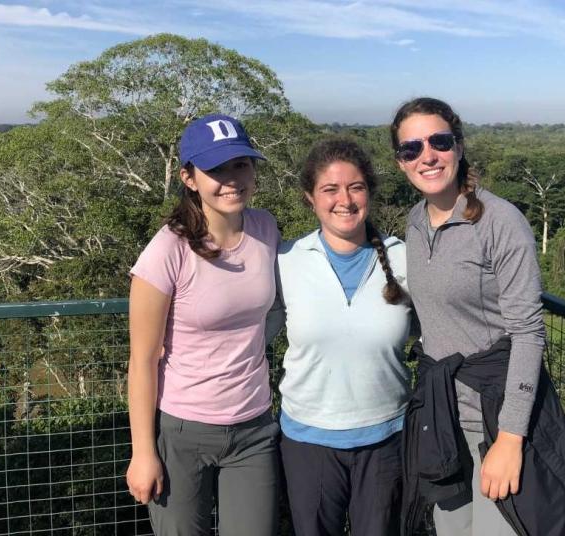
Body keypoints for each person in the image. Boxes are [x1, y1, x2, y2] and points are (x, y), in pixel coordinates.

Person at [391, 97, 565, 535]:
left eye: (439, 141)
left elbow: (528, 332)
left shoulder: (499, 222)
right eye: (411, 148)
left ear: (459, 145)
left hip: (495, 419)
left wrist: (510, 439)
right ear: (400, 162)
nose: (427, 156)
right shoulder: (415, 222)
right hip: (443, 420)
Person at [125, 114, 280, 536]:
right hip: (182, 433)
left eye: (241, 164)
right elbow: (142, 360)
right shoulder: (167, 251)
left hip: (254, 428)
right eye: (215, 169)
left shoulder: (266, 229)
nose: (232, 179)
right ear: (189, 178)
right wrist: (143, 453)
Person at [267, 138, 413, 536]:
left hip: (387, 438)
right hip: (307, 440)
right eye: (330, 189)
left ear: (369, 193)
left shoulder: (404, 259)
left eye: (356, 187)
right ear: (310, 198)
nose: (344, 200)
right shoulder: (286, 260)